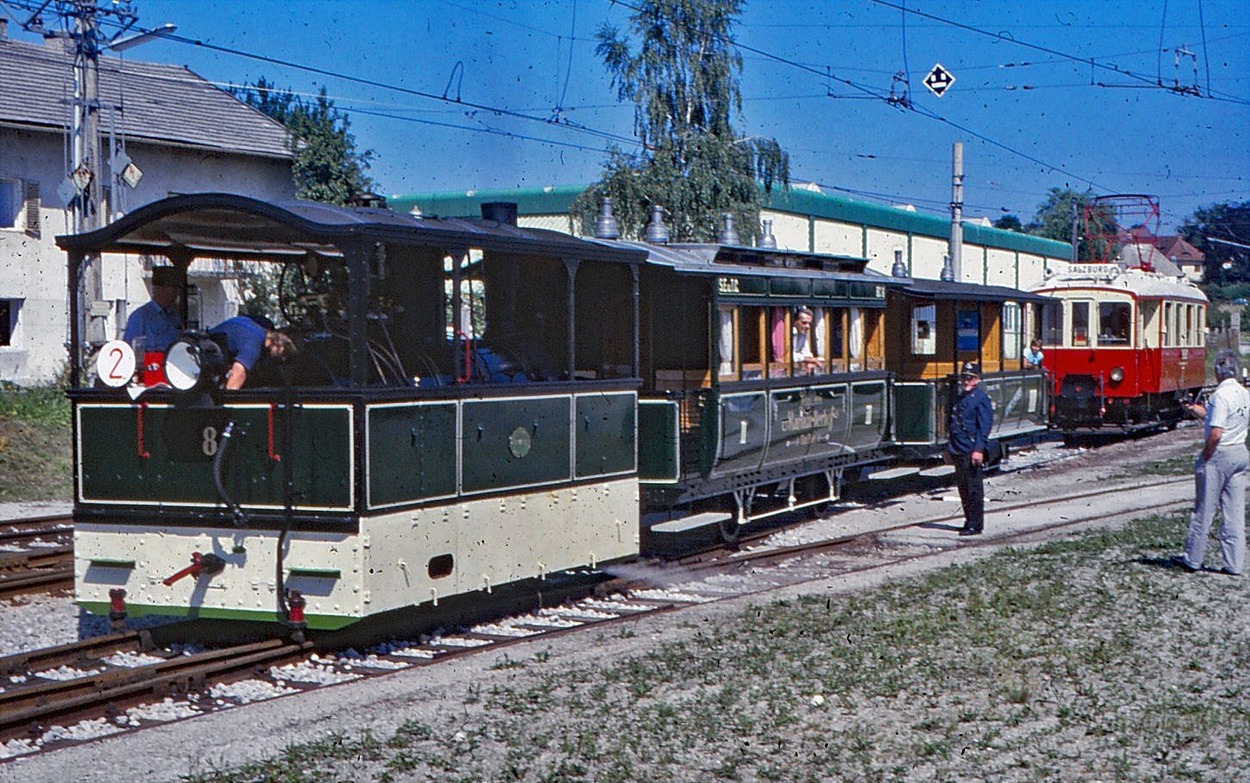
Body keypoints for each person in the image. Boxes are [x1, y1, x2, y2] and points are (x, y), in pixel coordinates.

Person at [1173, 351, 1249, 575]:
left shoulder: (1220, 396)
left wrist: (1206, 454)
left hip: (1219, 454)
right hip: (1239, 453)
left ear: (1217, 372)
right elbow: (1217, 417)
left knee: (1204, 510)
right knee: (1234, 512)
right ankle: (1234, 563)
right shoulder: (1244, 394)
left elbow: (1216, 433)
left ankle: (1193, 559)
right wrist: (1194, 410)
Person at [947, 361, 994, 536]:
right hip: (958, 448)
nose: (966, 381)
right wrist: (948, 448)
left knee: (974, 489)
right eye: (964, 378)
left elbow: (984, 426)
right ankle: (969, 521)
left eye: (970, 378)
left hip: (971, 449)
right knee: (963, 489)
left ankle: (976, 524)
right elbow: (952, 425)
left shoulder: (980, 399)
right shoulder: (960, 399)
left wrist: (978, 449)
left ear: (977, 380)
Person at [208, 315, 297, 390]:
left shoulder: (254, 327)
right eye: (283, 355)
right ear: (278, 346)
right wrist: (226, 403)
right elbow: (238, 374)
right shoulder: (253, 346)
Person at [122, 266, 183, 353]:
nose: (177, 293)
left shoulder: (175, 316)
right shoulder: (140, 317)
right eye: (174, 288)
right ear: (161, 289)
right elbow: (128, 351)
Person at [792, 307, 824, 372]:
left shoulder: (803, 333)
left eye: (809, 323)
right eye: (804, 323)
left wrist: (810, 361)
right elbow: (790, 355)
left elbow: (805, 351)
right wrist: (811, 360)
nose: (808, 326)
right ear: (795, 321)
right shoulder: (791, 332)